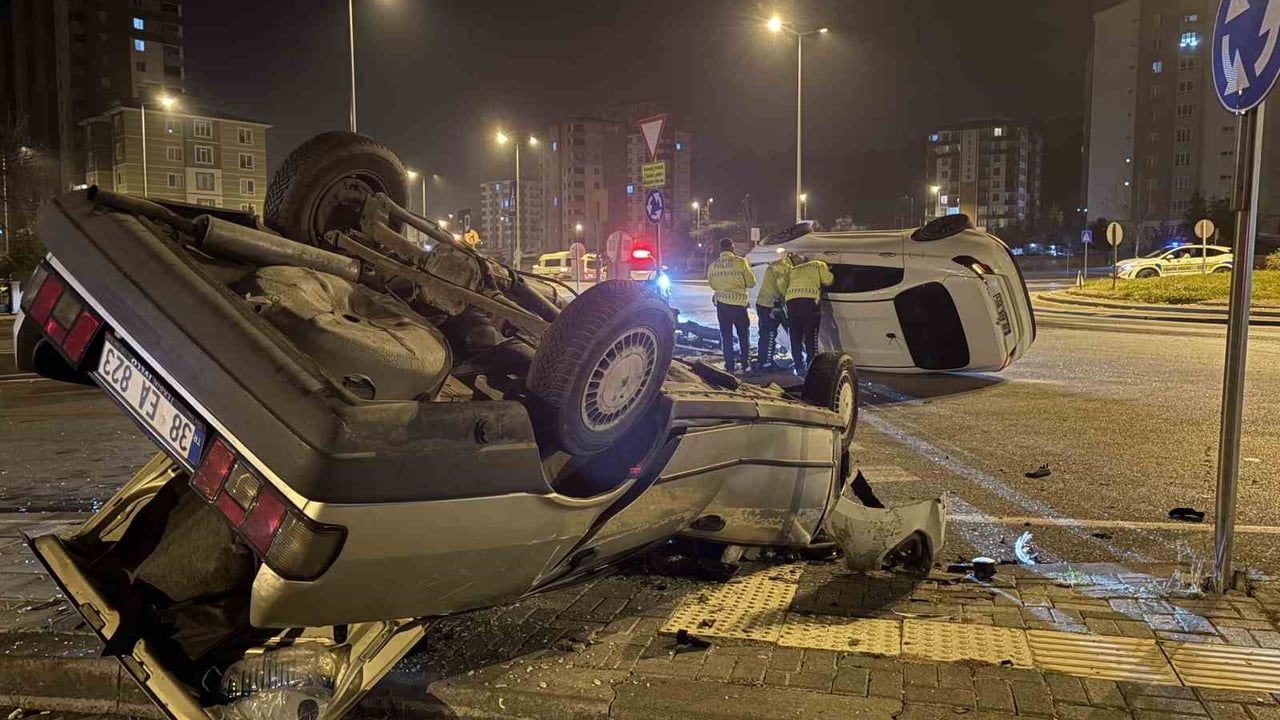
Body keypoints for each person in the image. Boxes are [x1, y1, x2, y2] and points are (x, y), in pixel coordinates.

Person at [778, 252, 833, 375]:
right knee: (810, 335)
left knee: (795, 335)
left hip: (792, 301)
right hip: (809, 300)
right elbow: (828, 280)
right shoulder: (819, 264)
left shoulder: (793, 269)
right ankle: (811, 365)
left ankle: (798, 366)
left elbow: (781, 284)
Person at [706, 237, 755, 372]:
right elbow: (751, 282)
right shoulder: (741, 262)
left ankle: (729, 365)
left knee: (726, 336)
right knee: (743, 335)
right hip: (739, 305)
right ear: (732, 248)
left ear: (720, 249)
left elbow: (712, 285)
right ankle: (745, 363)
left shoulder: (713, 266)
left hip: (722, 305)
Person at [754, 253, 792, 372]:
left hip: (762, 302)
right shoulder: (785, 268)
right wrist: (789, 296)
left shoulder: (776, 265)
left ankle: (762, 360)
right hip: (770, 304)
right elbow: (781, 285)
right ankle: (767, 364)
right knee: (771, 333)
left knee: (764, 333)